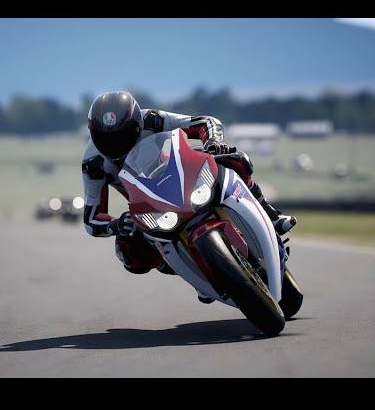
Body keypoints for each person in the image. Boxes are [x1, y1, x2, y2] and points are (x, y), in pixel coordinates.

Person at [81, 90, 296, 281]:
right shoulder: (93, 163)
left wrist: (213, 143)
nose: (117, 144)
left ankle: (272, 216)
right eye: (106, 139)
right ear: (93, 134)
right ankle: (193, 272)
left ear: (137, 123)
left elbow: (206, 122)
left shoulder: (152, 119)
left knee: (233, 159)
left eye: (123, 135)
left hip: (183, 173)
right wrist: (116, 225)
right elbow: (91, 220)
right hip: (150, 206)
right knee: (128, 252)